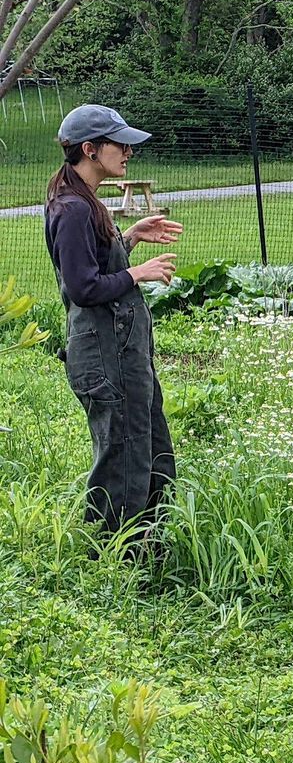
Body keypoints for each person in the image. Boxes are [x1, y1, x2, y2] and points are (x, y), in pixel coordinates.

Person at [44, 105, 182, 539]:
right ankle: (114, 562)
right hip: (105, 355)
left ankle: (153, 547)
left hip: (120, 351)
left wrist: (131, 237)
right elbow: (83, 288)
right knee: (122, 457)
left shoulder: (85, 201)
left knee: (148, 445)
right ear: (89, 149)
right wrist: (137, 273)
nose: (128, 152)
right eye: (119, 144)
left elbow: (93, 263)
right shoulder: (73, 208)